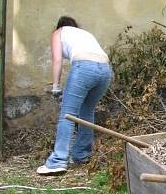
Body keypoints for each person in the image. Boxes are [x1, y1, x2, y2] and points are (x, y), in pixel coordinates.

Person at [37, 16, 114, 175]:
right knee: (87, 112)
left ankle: (58, 161)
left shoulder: (58, 33)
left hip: (84, 67)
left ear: (59, 26)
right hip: (105, 70)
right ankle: (81, 155)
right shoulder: (84, 34)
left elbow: (57, 59)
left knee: (67, 115)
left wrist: (56, 87)